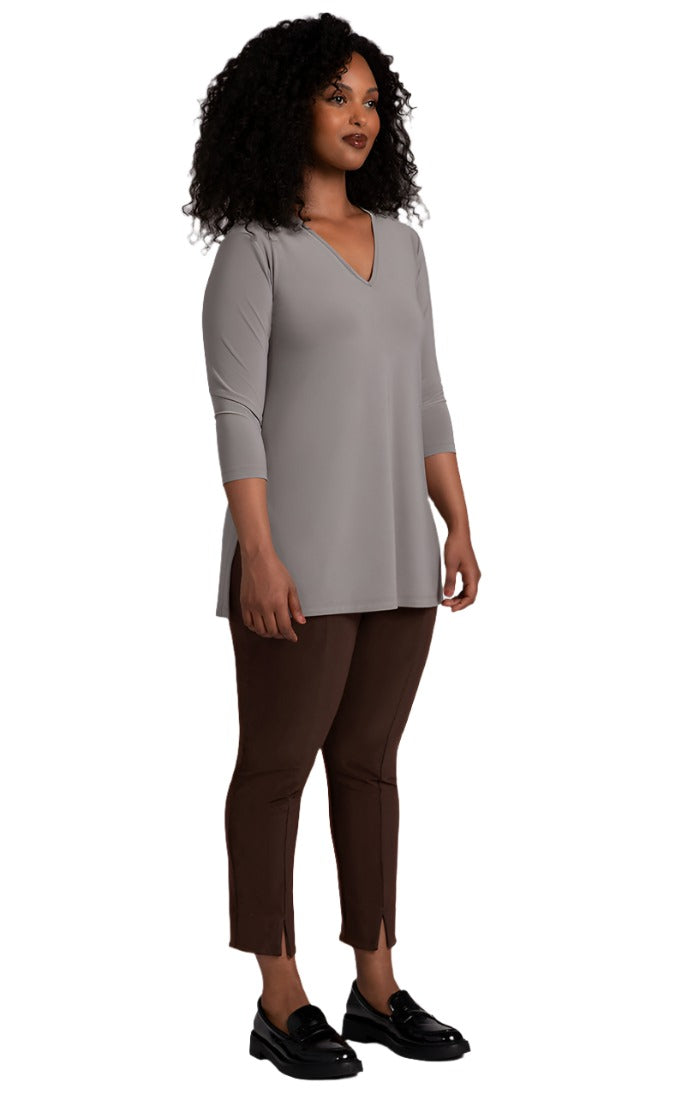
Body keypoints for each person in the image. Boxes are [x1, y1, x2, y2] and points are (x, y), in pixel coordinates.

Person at [184, 13, 481, 1080]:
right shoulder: (255, 249)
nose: (360, 117)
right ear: (285, 109)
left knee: (369, 766)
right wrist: (257, 554)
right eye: (335, 96)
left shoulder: (402, 247)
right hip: (296, 558)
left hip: (398, 553)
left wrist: (458, 518)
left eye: (372, 101)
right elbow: (235, 411)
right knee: (275, 769)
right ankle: (279, 997)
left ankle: (378, 986)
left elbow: (426, 395)